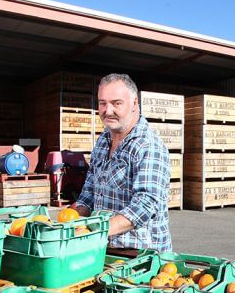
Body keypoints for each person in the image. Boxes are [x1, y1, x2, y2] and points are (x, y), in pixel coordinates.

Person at [72, 73, 172, 252]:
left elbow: (145, 206)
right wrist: (71, 217)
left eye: (116, 103)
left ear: (134, 103)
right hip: (103, 248)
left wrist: (96, 230)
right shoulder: (103, 140)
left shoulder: (148, 145)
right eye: (102, 103)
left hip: (140, 256)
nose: (107, 110)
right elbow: (89, 192)